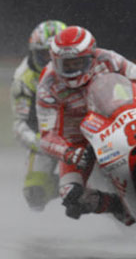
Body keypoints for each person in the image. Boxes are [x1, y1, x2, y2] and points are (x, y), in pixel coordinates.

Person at [36, 25, 136, 223]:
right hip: (76, 141)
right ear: (55, 62)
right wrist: (69, 152)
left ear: (91, 56)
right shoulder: (47, 85)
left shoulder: (108, 59)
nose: (73, 69)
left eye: (78, 63)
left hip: (114, 118)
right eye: (66, 65)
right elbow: (46, 137)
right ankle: (117, 206)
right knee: (70, 194)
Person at [10, 20, 67, 211]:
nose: (50, 63)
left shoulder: (85, 63)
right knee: (34, 194)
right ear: (33, 53)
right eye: (44, 55)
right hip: (46, 134)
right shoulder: (22, 80)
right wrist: (46, 145)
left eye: (55, 55)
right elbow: (20, 126)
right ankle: (74, 188)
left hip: (85, 126)